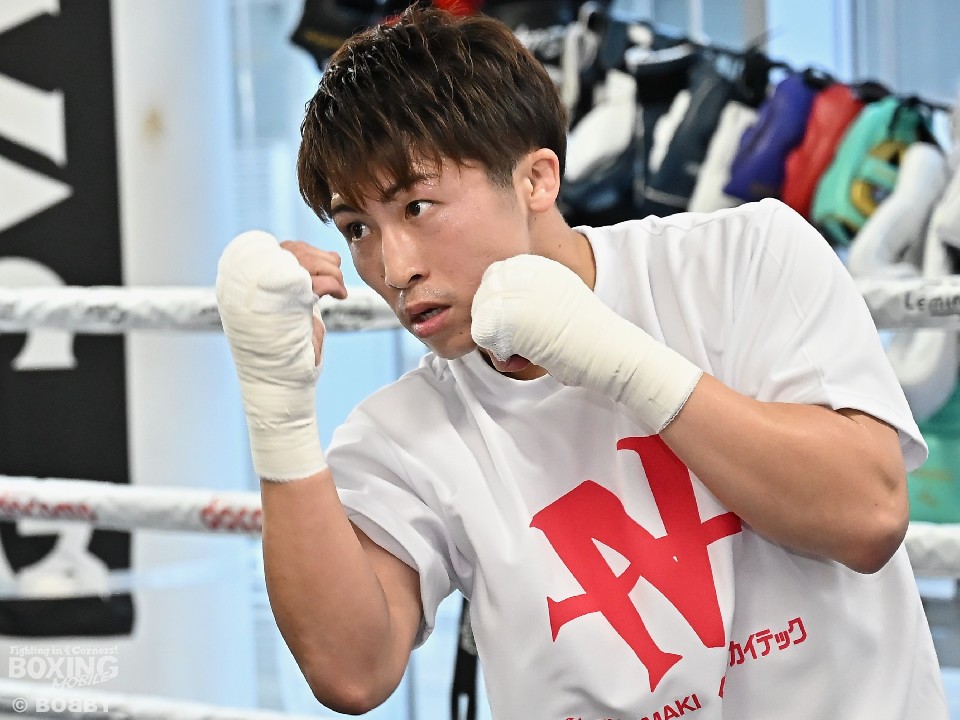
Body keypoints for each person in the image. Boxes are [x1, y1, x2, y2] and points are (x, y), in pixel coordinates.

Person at [214, 6, 948, 718]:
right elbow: (352, 672)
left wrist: (617, 359)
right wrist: (279, 413)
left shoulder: (742, 260)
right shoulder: (408, 430)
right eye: (357, 228)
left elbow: (869, 516)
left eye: (416, 208)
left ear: (536, 179)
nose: (393, 266)